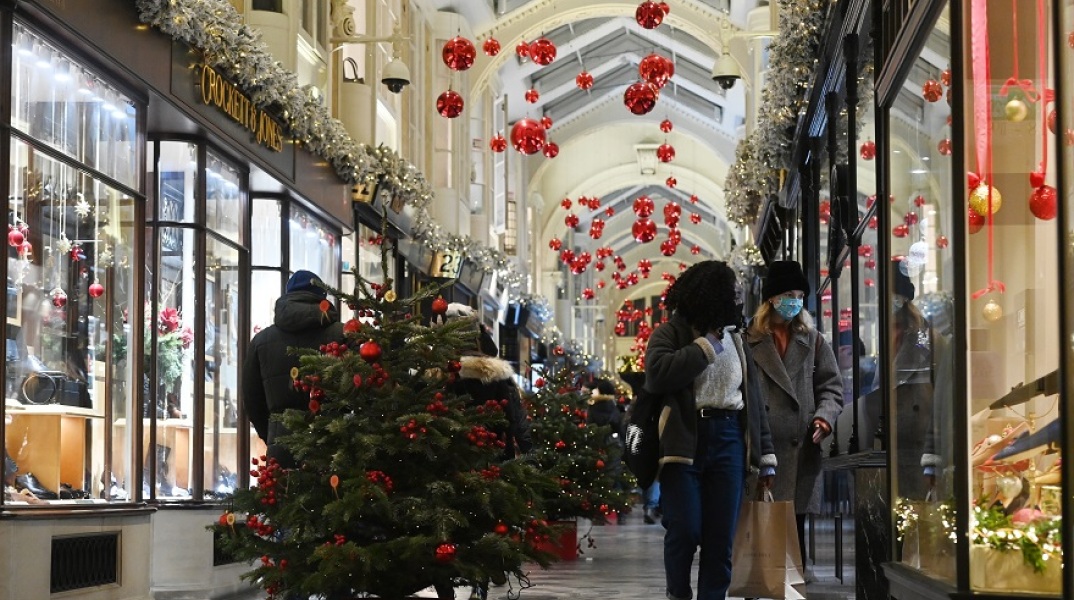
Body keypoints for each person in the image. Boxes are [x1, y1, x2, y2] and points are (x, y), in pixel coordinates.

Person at [643, 260, 776, 600]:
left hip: (730, 439)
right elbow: (658, 375)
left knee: (720, 540)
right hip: (684, 441)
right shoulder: (670, 333)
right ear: (710, 296)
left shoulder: (738, 340)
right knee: (685, 529)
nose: (738, 300)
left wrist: (765, 456)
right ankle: (678, 593)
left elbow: (753, 399)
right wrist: (706, 343)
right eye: (731, 294)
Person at [745, 260, 843, 572]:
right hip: (761, 449)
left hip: (800, 447)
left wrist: (824, 418)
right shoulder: (748, 340)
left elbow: (832, 386)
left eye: (800, 295)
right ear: (771, 297)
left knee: (794, 527)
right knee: (757, 526)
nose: (795, 301)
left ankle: (789, 585)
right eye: (789, 293)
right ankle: (758, 584)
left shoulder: (812, 340)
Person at [441, 302, 531, 600]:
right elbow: (516, 416)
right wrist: (529, 451)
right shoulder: (498, 373)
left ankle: (456, 576)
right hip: (494, 455)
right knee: (490, 514)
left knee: (454, 515)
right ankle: (489, 569)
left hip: (453, 455)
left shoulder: (442, 372)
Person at [242, 270, 345, 469]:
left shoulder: (262, 341)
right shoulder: (340, 335)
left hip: (282, 447)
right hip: (332, 443)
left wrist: (273, 433)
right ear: (323, 297)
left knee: (284, 496)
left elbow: (252, 399)